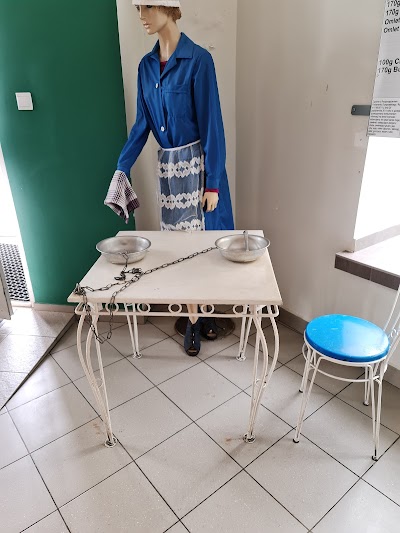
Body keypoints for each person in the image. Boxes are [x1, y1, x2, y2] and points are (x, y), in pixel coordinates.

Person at [112, 0, 234, 355]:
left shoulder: (198, 61)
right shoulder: (146, 67)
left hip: (200, 171)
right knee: (179, 250)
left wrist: (213, 182)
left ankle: (204, 314)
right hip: (169, 172)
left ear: (169, 7)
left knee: (204, 247)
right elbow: (142, 125)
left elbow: (213, 126)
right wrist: (122, 167)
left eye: (148, 6)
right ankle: (192, 319)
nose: (142, 16)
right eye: (137, 8)